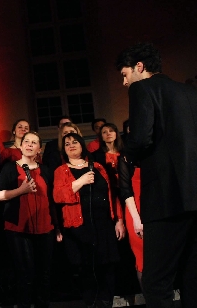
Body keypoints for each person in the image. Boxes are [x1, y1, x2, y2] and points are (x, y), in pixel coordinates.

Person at [116, 42, 197, 307]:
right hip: (194, 197)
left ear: (140, 67)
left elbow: (140, 137)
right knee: (192, 279)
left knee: (155, 282)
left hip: (166, 198)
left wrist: (128, 154)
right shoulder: (190, 93)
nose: (125, 82)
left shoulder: (143, 88)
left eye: (125, 75)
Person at [53, 133, 123, 308]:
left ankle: (106, 302)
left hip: (104, 224)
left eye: (75, 142)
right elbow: (58, 196)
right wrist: (80, 181)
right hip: (79, 227)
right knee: (86, 268)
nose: (71, 145)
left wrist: (119, 219)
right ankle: (91, 303)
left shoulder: (97, 166)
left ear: (82, 145)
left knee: (107, 266)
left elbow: (111, 195)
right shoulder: (61, 170)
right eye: (67, 143)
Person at [0, 131, 59, 308]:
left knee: (44, 274)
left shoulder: (46, 170)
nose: (30, 145)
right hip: (18, 229)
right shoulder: (10, 168)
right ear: (21, 146)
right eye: (27, 142)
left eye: (34, 142)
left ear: (40, 148)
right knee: (25, 273)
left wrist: (57, 227)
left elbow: (52, 200)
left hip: (45, 228)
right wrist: (20, 191)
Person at [118, 155, 143, 290]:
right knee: (142, 260)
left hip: (157, 209)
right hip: (136, 210)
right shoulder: (126, 158)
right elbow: (125, 190)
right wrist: (136, 219)